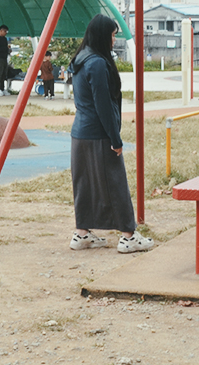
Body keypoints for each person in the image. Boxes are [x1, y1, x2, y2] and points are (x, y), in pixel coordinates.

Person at [69, 14, 153, 254]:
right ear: (103, 35)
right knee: (116, 183)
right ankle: (128, 236)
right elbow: (103, 105)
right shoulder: (96, 63)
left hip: (80, 134)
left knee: (84, 184)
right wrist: (116, 139)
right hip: (98, 134)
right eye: (113, 35)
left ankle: (82, 233)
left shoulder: (81, 58)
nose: (114, 40)